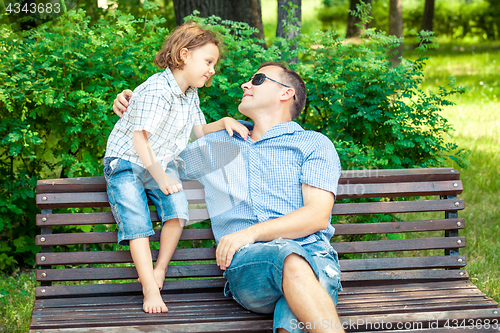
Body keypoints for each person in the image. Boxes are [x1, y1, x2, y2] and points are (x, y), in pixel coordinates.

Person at [113, 62, 345, 332]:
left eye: (258, 79)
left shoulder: (313, 144)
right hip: (250, 266)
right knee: (290, 258)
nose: (245, 85)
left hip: (314, 254)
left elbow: (317, 215)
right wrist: (137, 110)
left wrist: (248, 233)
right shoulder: (217, 144)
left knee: (297, 302)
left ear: (286, 93)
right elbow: (152, 155)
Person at [104, 22, 249, 314]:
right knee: (137, 222)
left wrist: (223, 123)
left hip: (158, 162)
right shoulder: (157, 89)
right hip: (126, 161)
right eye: (208, 62)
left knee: (178, 209)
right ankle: (148, 288)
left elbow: (198, 131)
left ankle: (159, 272)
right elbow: (138, 139)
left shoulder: (190, 94)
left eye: (214, 64)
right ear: (184, 55)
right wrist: (160, 176)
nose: (212, 70)